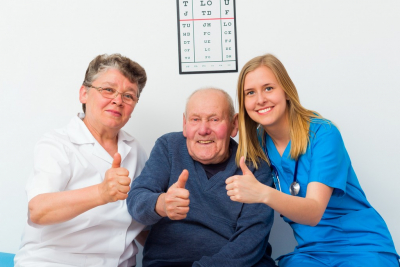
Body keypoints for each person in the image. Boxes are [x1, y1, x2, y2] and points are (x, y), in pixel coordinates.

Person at [225, 54, 400, 266]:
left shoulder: (323, 134)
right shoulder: (256, 146)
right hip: (312, 253)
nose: (260, 99)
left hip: (361, 246)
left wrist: (263, 193)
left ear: (286, 91)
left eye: (269, 88)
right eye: (250, 93)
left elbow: (314, 212)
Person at [15, 54, 148, 267]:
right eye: (108, 90)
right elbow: (38, 211)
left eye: (129, 96)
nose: (118, 100)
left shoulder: (136, 150)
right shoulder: (57, 144)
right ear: (84, 94)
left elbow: (140, 222)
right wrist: (101, 192)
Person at [127, 88, 276, 267]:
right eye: (195, 120)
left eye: (214, 119)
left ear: (234, 124)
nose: (203, 130)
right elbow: (136, 201)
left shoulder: (255, 167)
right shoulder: (168, 148)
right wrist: (162, 204)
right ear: (184, 124)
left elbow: (251, 241)